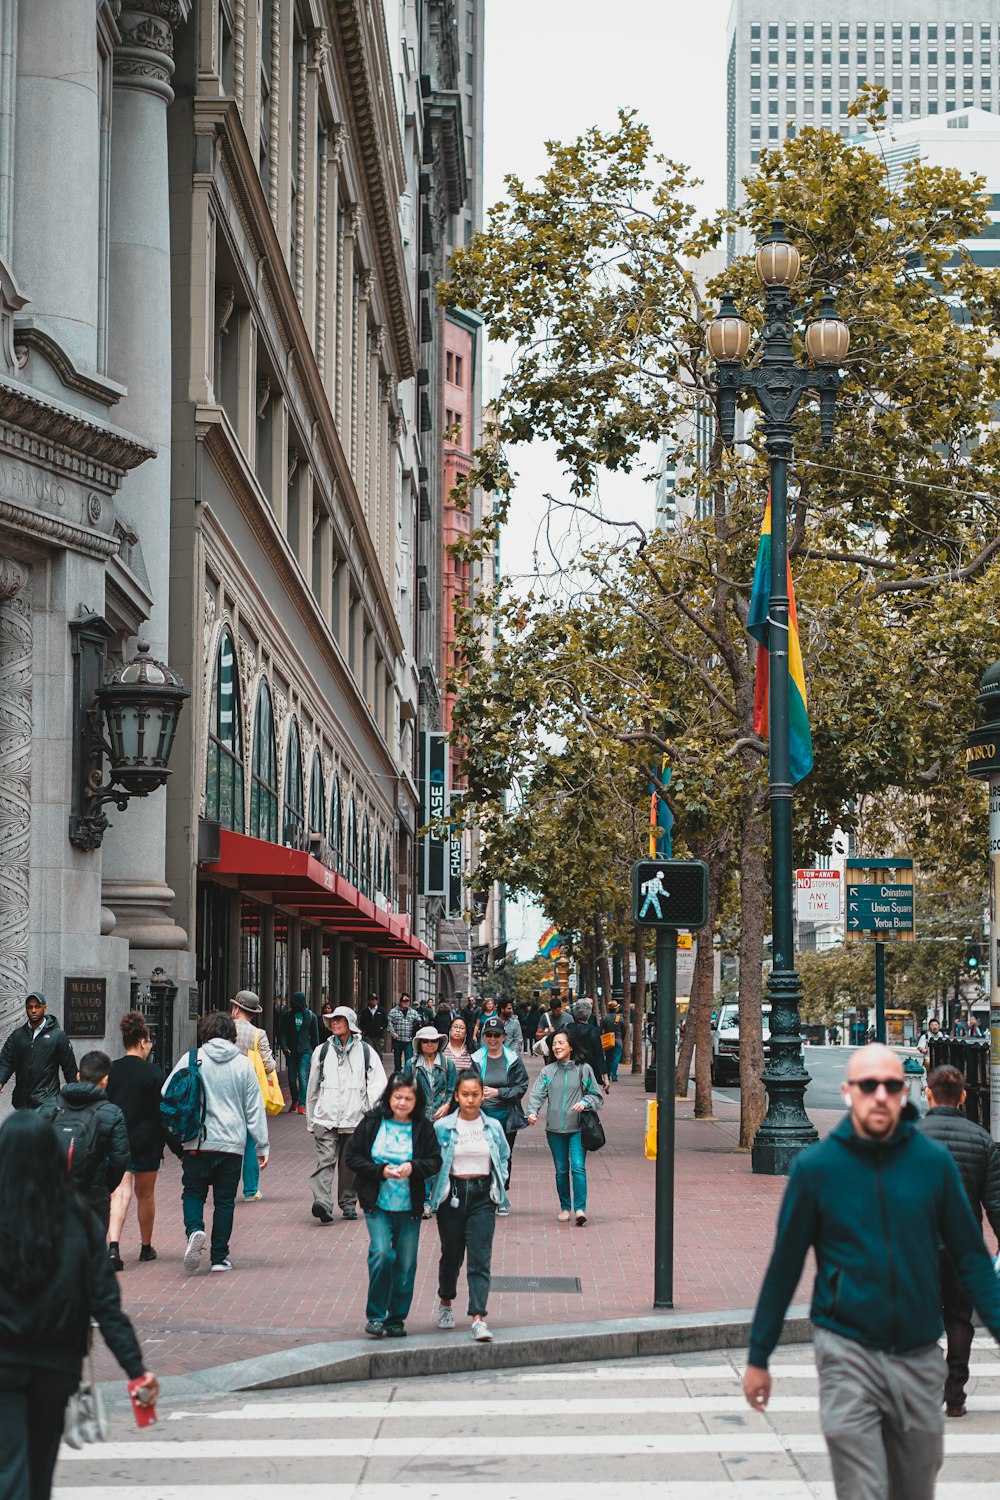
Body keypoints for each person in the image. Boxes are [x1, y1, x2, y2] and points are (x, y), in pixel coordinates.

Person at [743, 1044, 1000, 1500]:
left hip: (919, 1357)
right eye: (868, 1085)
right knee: (862, 1488)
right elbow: (784, 1268)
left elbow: (973, 1261)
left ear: (904, 1093)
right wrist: (759, 1356)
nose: (879, 1095)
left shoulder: (932, 1164)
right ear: (849, 1092)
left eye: (891, 1086)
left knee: (914, 1487)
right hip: (847, 1353)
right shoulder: (816, 1170)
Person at [0, 1112, 158, 1500]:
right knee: (38, 1474)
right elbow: (106, 1306)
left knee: (9, 1470)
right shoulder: (79, 1221)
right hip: (56, 1365)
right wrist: (136, 1370)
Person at [919, 1063, 1000, 1418]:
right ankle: (955, 1394)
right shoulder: (982, 1140)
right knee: (959, 1319)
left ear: (928, 1093)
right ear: (964, 1097)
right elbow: (994, 1201)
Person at [161, 1010, 269, 1274]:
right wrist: (262, 1145)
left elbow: (166, 1091)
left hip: (198, 1141)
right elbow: (254, 1108)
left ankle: (195, 1230)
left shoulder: (191, 1058)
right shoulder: (243, 1064)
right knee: (224, 1201)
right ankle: (219, 1257)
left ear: (205, 1032)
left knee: (193, 1193)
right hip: (232, 1144)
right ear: (231, 1035)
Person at [345, 1071, 442, 1338]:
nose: (402, 1103)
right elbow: (352, 1156)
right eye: (397, 1097)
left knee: (406, 1263)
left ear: (416, 1100)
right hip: (377, 1203)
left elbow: (435, 1160)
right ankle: (376, 1316)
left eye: (408, 1099)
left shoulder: (423, 1127)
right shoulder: (372, 1122)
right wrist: (379, 1171)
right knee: (381, 1253)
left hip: (409, 1207)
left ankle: (396, 1318)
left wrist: (414, 1167)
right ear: (389, 1097)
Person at [429, 1071, 510, 1343]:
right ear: (456, 1096)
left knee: (480, 1257)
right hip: (451, 1195)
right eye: (465, 1094)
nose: (471, 1100)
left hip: (483, 1196)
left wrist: (500, 1184)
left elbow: (503, 1157)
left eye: (476, 1094)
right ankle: (445, 1302)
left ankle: (478, 1317)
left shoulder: (493, 1127)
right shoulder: (443, 1127)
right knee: (451, 1255)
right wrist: (434, 1194)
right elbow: (432, 1163)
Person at [306, 1005, 386, 1224]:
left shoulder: (367, 1051)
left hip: (355, 1116)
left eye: (339, 1019)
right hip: (326, 1115)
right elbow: (312, 1087)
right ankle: (322, 1202)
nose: (334, 1023)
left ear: (350, 1024)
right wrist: (311, 1118)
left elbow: (378, 1086)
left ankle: (348, 1203)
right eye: (332, 1019)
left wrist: (370, 1115)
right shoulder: (321, 1051)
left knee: (349, 1164)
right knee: (325, 1160)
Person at [106, 1011, 172, 1269]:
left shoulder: (112, 1070)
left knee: (119, 1194)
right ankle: (145, 1247)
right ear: (143, 1041)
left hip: (118, 1141)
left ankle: (113, 1247)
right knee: (146, 1195)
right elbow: (161, 1114)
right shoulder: (154, 1073)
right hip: (146, 1141)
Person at [40, 1049, 130, 1230]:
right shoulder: (112, 1113)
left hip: (54, 1192)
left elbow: (34, 1146)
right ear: (105, 1080)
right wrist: (105, 1186)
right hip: (93, 1194)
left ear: (78, 1076)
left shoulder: (51, 1106)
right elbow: (120, 1159)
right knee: (91, 1249)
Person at [526, 1031, 603, 1226]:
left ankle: (580, 1209)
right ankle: (565, 1207)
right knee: (561, 1170)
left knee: (578, 1167)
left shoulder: (583, 1070)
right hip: (554, 1130)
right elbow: (537, 1094)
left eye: (561, 1043)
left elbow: (596, 1095)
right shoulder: (548, 1071)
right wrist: (532, 1112)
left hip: (577, 1128)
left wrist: (585, 1102)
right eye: (554, 1044)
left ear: (571, 1046)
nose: (557, 1047)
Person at [471, 1018, 528, 1199]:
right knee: (483, 1154)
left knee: (503, 1154)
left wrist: (499, 1092)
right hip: (482, 1115)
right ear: (484, 1037)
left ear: (504, 1037)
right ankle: (487, 1192)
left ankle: (501, 1190)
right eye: (489, 1035)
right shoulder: (477, 1059)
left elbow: (522, 1086)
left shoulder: (513, 1059)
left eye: (497, 1035)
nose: (493, 1039)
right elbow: (468, 1084)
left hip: (506, 1115)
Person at [230, 989, 278, 1200]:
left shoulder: (225, 1029)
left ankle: (227, 1187)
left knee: (228, 1139)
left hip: (226, 1089)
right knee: (250, 1141)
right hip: (251, 1091)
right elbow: (269, 1065)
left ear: (236, 1008)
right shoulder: (259, 1034)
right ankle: (250, 1190)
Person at [0, 992, 76, 1110]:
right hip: (22, 1101)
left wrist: (76, 1096)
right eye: (30, 1007)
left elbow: (70, 1069)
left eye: (37, 1006)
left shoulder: (58, 1036)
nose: (33, 1010)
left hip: (47, 1101)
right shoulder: (18, 1035)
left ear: (44, 1007)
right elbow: (6, 1060)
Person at [278, 991, 319, 1113]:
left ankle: (302, 1104)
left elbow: (315, 1036)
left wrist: (315, 1053)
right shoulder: (286, 1016)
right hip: (291, 1052)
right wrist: (284, 1046)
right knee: (291, 1078)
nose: (292, 1004)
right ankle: (295, 1099)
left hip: (305, 1051)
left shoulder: (311, 1017)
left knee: (302, 1076)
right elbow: (282, 1033)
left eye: (294, 1002)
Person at [557, 999, 608, 1088]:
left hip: (569, 1068)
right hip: (588, 1071)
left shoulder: (566, 1028)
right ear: (588, 1014)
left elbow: (549, 1040)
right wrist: (605, 1077)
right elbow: (599, 1055)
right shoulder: (593, 1031)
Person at [413, 1026, 458, 1122]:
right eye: (425, 1041)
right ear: (420, 1043)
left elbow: (453, 1090)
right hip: (419, 1117)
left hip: (442, 1118)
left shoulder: (448, 1064)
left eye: (434, 1041)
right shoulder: (411, 1065)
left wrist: (447, 1105)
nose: (430, 1044)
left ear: (439, 1042)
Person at [386, 993, 418, 1073]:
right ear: (400, 1001)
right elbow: (388, 1023)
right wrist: (393, 1033)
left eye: (407, 1001)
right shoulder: (393, 1012)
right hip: (398, 1039)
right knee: (397, 1059)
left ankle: (408, 1075)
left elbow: (419, 1022)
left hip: (409, 1040)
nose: (406, 1002)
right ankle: (397, 1075)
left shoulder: (413, 1012)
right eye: (404, 1001)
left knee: (409, 1060)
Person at [599, 1000, 625, 1082]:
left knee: (608, 1058)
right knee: (616, 1058)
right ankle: (614, 1075)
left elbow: (600, 1030)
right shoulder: (620, 1018)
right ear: (616, 1008)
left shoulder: (604, 1018)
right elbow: (624, 1030)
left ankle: (608, 1074)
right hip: (617, 1040)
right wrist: (622, 1039)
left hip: (607, 1041)